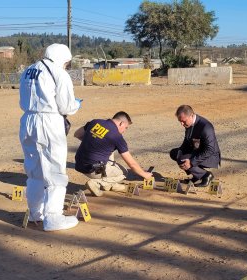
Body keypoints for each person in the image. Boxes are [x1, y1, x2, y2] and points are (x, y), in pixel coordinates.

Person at [19, 43, 82, 231]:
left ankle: (34, 213)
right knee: (55, 170)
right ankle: (53, 217)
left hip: (28, 120)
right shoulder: (59, 73)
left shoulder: (29, 70)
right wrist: (76, 104)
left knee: (34, 170)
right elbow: (66, 107)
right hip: (49, 122)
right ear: (63, 58)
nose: (67, 66)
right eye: (67, 62)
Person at [74, 111, 153, 196]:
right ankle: (97, 183)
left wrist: (94, 142)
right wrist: (145, 174)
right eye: (126, 127)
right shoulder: (117, 137)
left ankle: (110, 185)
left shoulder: (95, 122)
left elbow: (77, 134)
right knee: (123, 172)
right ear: (121, 123)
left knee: (109, 149)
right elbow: (132, 164)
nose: (124, 131)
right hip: (92, 170)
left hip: (79, 164)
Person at [170, 105, 221, 187]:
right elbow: (186, 141)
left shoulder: (206, 127)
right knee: (174, 153)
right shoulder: (188, 124)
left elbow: (210, 150)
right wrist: (179, 153)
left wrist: (191, 162)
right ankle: (196, 175)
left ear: (191, 115)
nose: (181, 124)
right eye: (180, 121)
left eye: (183, 121)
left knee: (182, 159)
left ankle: (206, 175)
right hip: (197, 150)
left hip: (210, 156)